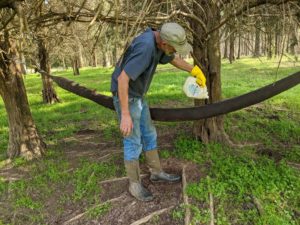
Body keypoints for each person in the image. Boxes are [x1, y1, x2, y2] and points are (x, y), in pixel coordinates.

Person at [111, 22, 206, 201]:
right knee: (133, 140)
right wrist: (125, 114)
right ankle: (134, 184)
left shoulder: (159, 41)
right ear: (164, 43)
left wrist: (194, 71)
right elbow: (123, 79)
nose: (176, 51)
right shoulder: (146, 48)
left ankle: (156, 172)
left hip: (138, 95)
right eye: (174, 47)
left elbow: (173, 59)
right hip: (127, 95)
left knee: (149, 133)